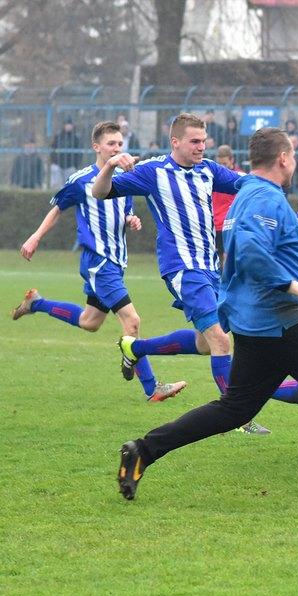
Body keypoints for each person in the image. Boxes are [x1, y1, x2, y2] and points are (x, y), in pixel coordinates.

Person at [116, 127, 298, 505]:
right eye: (293, 156)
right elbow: (251, 253)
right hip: (283, 317)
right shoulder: (264, 198)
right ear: (283, 158)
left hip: (256, 322)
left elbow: (279, 252)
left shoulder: (249, 193)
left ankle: (143, 450)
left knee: (234, 409)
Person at [90, 113, 270, 435]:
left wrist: (268, 182)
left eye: (204, 141)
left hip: (211, 269)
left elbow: (245, 183)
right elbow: (100, 192)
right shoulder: (154, 171)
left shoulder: (208, 170)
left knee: (205, 344)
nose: (202, 147)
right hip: (183, 269)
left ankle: (135, 348)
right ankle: (239, 417)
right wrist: (111, 165)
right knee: (221, 339)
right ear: (175, 142)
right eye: (195, 141)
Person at [13, 121, 185, 402]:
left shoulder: (124, 179)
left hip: (116, 262)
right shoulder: (81, 180)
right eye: (111, 144)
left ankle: (37, 303)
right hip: (99, 263)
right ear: (97, 147)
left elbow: (124, 211)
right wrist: (35, 237)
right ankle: (152, 387)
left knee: (90, 321)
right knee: (132, 321)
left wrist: (131, 219)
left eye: (120, 144)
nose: (117, 149)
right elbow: (57, 209)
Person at [211, 145, 245, 253]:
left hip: (231, 226)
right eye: (219, 164)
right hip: (214, 226)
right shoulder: (212, 177)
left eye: (224, 164)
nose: (222, 167)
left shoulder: (239, 178)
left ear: (232, 160)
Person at [50, 119, 83, 187]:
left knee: (69, 186)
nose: (68, 126)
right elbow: (53, 149)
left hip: (70, 166)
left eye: (70, 125)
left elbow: (79, 152)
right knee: (56, 186)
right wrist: (54, 161)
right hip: (58, 164)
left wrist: (75, 165)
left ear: (72, 126)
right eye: (67, 124)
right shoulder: (58, 136)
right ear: (64, 125)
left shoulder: (76, 138)